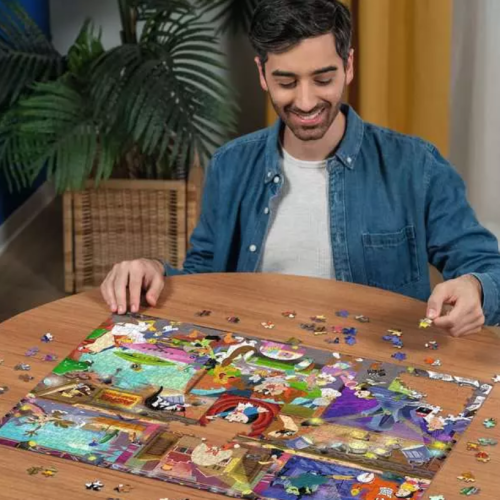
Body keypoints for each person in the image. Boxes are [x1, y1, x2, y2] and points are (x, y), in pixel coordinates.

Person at [101, 0, 500, 336]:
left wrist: (476, 288)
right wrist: (153, 270)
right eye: (287, 82)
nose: (306, 102)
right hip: (253, 367)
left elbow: (488, 267)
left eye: (323, 79)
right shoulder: (229, 165)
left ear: (348, 66)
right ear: (262, 74)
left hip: (375, 376)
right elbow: (204, 277)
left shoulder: (415, 166)